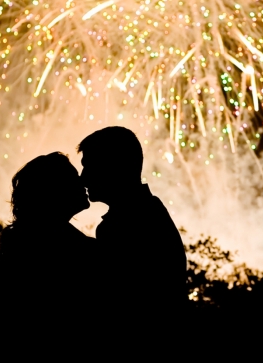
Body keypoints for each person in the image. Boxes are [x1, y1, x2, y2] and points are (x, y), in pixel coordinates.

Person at [78, 126, 186, 315]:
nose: (83, 178)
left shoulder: (128, 225)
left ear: (115, 167)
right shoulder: (148, 214)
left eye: (90, 166)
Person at [0, 152, 96, 288]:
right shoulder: (69, 249)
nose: (82, 181)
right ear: (55, 190)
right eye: (73, 178)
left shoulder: (25, 243)